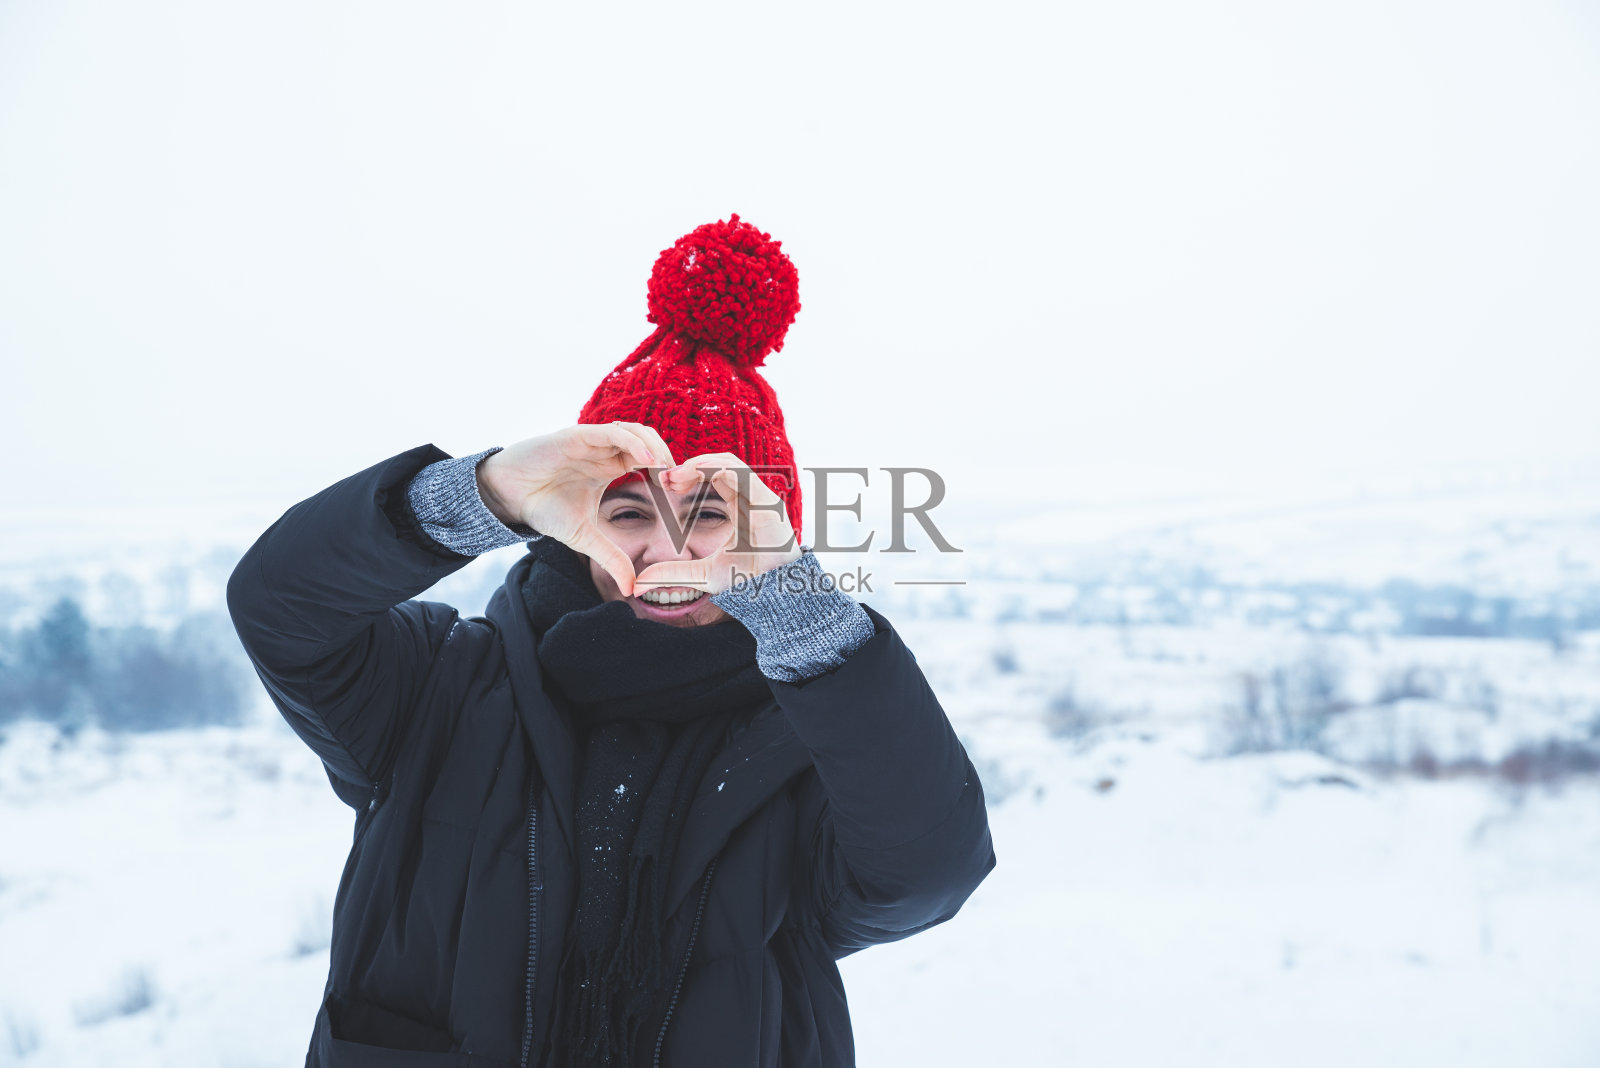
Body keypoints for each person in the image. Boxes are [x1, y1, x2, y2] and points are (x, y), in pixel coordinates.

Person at [227, 215, 996, 1068]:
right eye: (629, 510)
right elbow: (280, 607)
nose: (667, 550)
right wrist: (481, 496)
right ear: (567, 524)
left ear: (773, 538)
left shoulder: (814, 747)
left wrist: (802, 615)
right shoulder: (433, 692)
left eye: (709, 516)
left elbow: (925, 871)